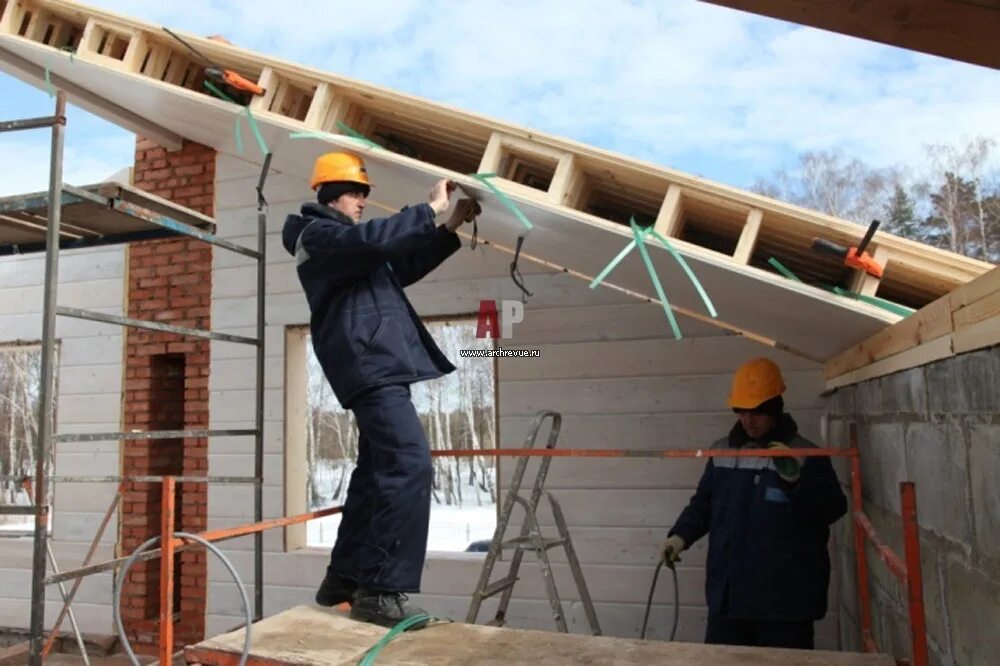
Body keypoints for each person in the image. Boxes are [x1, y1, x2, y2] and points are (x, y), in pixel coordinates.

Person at [281, 151, 478, 629]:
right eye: (354, 192)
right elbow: (375, 242)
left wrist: (448, 225)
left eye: (365, 194)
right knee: (408, 464)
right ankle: (381, 591)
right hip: (369, 364)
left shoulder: (348, 247)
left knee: (375, 473)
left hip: (375, 364)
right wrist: (426, 210)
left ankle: (344, 578)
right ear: (328, 193)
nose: (362, 201)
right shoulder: (318, 236)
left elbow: (398, 264)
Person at [660, 357, 848, 650]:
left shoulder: (804, 453)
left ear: (775, 408)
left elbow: (833, 509)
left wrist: (797, 481)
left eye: (757, 413)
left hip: (784, 606)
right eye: (742, 412)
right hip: (730, 601)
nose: (748, 420)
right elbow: (704, 504)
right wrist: (679, 536)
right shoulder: (723, 451)